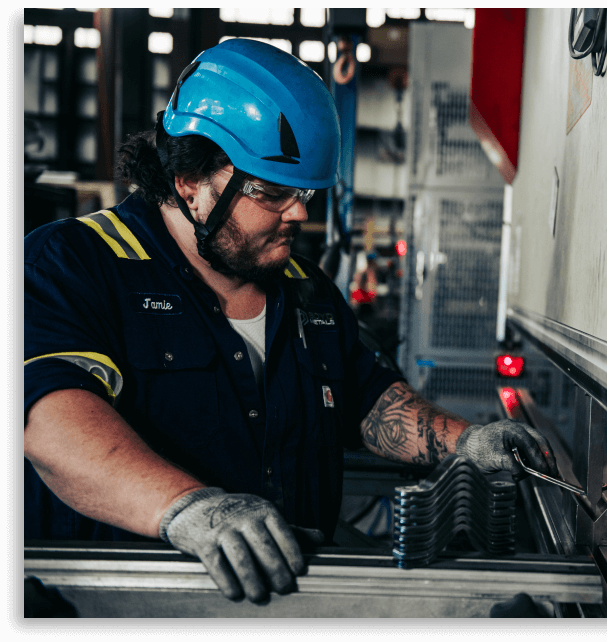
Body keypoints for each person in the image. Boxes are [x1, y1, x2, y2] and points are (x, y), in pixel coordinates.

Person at [23, 39, 558, 604]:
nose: (300, 213)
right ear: (189, 181)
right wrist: (190, 508)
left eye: (303, 193)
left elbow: (371, 400)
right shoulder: (72, 266)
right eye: (274, 192)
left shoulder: (305, 290)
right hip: (127, 606)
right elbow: (50, 423)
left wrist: (466, 442)